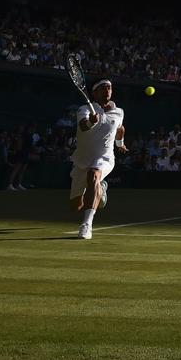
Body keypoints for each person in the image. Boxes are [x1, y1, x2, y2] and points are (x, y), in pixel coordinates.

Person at [71, 79, 126, 240]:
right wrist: (90, 122)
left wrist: (120, 143)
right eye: (103, 88)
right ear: (94, 93)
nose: (107, 90)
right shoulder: (84, 109)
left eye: (109, 87)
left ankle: (86, 225)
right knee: (76, 206)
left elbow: (120, 129)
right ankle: (101, 190)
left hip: (105, 158)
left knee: (93, 175)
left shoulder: (119, 112)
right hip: (82, 160)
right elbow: (83, 126)